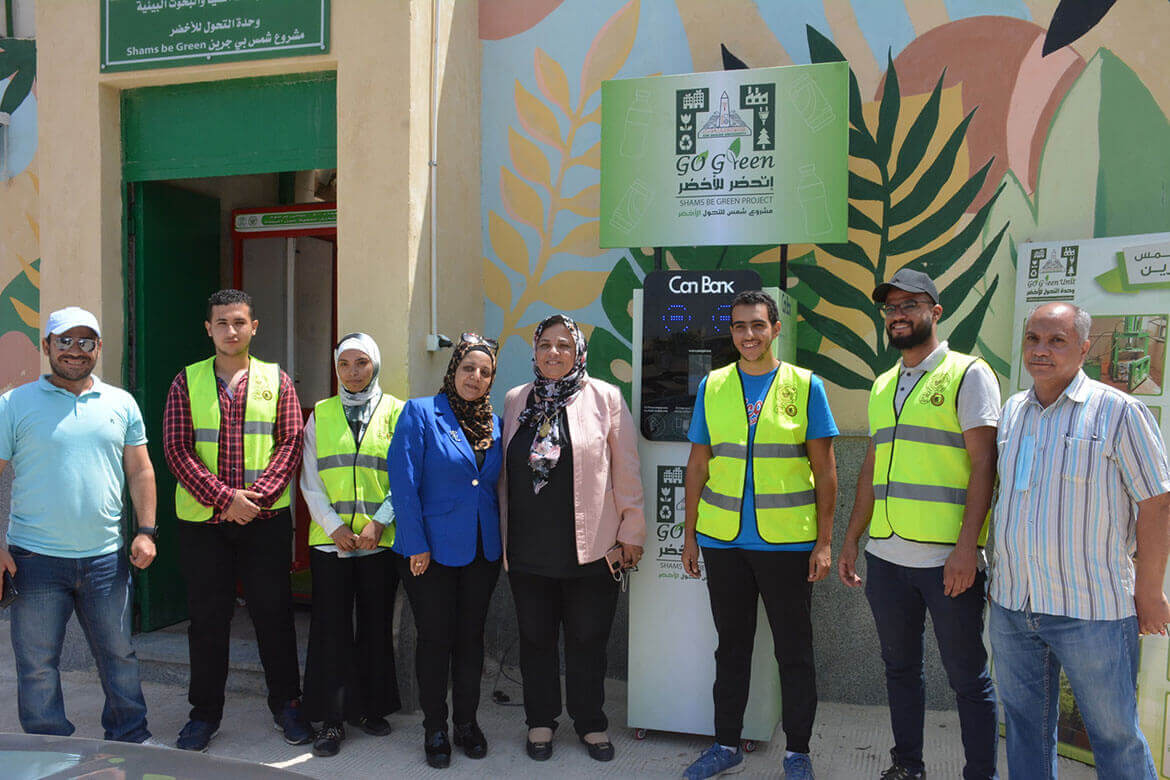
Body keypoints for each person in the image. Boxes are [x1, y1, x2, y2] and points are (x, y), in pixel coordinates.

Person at [990, 302, 1170, 779]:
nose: (1041, 350)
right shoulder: (1013, 413)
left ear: (1085, 349)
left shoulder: (1119, 412)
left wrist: (1149, 593)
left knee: (1114, 736)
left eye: (1057, 341)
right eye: (1034, 339)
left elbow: (1157, 504)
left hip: (1092, 611)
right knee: (1026, 730)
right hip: (1014, 605)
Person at [837, 269, 1000, 780]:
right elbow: (870, 466)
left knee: (968, 678)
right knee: (900, 671)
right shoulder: (884, 383)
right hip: (886, 557)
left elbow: (985, 465)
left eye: (911, 304)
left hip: (945, 560)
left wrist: (966, 549)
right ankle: (907, 765)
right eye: (891, 307)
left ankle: (981, 774)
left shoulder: (969, 373)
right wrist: (851, 539)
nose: (899, 314)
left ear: (936, 310)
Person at [681, 289, 838, 780]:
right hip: (723, 541)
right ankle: (725, 744)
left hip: (787, 543)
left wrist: (825, 541)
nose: (748, 335)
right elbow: (698, 464)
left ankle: (797, 753)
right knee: (731, 647)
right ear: (731, 333)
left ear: (774, 328)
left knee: (793, 650)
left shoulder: (805, 385)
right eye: (739, 327)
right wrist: (689, 535)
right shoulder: (713, 386)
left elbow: (826, 469)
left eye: (757, 325)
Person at [0, 307, 157, 744]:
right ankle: (48, 747)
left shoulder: (120, 403)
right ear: (46, 345)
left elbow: (140, 471)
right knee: (37, 663)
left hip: (105, 558)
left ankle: (130, 738)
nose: (75, 350)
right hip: (34, 561)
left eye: (85, 341)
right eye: (64, 340)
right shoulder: (13, 403)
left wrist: (147, 531)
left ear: (98, 349)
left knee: (119, 655)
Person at [162, 288, 309, 751]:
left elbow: (290, 445)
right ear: (209, 328)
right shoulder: (185, 382)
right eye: (222, 322)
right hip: (204, 525)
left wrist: (256, 500)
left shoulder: (277, 380)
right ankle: (204, 715)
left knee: (274, 616)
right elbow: (176, 449)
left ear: (254, 327)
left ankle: (287, 705)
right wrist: (225, 499)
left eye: (239, 322)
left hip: (263, 523)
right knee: (207, 620)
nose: (231, 330)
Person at [499, 314, 645, 763]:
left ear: (579, 352)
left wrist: (631, 531)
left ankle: (590, 722)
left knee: (588, 639)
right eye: (545, 344)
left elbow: (627, 471)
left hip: (593, 549)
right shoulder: (515, 399)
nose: (554, 352)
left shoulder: (605, 397)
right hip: (527, 549)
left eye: (564, 345)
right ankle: (540, 720)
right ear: (534, 351)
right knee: (536, 639)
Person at [387, 333, 503, 769]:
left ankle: (467, 724)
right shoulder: (420, 412)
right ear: (453, 369)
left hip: (481, 549)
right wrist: (415, 543)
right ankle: (435, 726)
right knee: (435, 639)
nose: (475, 377)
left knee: (471, 640)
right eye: (468, 368)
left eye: (485, 371)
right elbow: (404, 483)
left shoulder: (495, 422)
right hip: (429, 552)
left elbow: (493, 489)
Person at [300, 333, 405, 757]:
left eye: (361, 362)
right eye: (345, 364)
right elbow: (309, 478)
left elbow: (405, 474)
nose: (353, 371)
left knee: (376, 627)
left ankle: (371, 708)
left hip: (379, 542)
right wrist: (333, 527)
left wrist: (379, 524)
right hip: (331, 544)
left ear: (375, 364)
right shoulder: (321, 414)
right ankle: (330, 719)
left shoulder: (397, 411)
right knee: (330, 629)